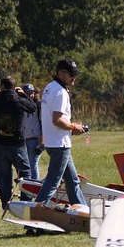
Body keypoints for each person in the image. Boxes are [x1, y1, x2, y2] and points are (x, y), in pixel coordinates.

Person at [34, 58, 87, 207]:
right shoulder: (61, 92)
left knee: (72, 181)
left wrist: (71, 125)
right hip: (59, 144)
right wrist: (73, 127)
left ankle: (83, 213)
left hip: (53, 142)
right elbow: (57, 120)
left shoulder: (49, 88)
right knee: (53, 181)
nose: (74, 78)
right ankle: (34, 216)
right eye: (71, 74)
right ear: (61, 73)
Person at [0, 76, 37, 209]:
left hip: (0, 144)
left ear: (2, 86)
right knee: (25, 173)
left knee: (4, 175)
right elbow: (33, 107)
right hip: (17, 144)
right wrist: (24, 95)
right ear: (14, 87)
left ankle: (6, 204)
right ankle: (26, 203)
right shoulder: (18, 100)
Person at [21, 84, 43, 179]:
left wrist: (42, 139)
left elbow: (42, 122)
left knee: (33, 164)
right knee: (26, 165)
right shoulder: (21, 105)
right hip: (24, 139)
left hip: (35, 139)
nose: (30, 95)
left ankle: (35, 186)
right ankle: (27, 186)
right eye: (27, 93)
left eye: (31, 93)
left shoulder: (38, 106)